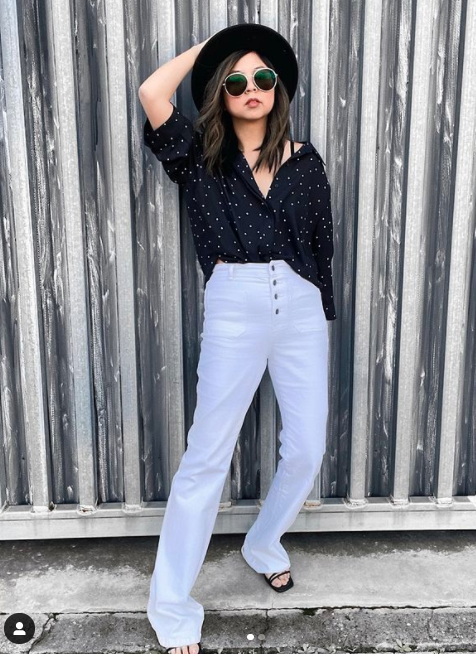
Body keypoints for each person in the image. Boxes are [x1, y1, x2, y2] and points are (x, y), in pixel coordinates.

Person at [139, 23, 337, 654]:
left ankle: (264, 540)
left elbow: (321, 244)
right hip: (234, 301)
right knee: (206, 459)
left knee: (306, 446)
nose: (252, 88)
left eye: (264, 77)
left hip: (300, 302)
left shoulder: (305, 158)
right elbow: (151, 92)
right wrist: (214, 51)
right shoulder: (199, 157)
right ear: (221, 93)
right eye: (237, 80)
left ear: (279, 90)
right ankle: (172, 609)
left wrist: (319, 308)